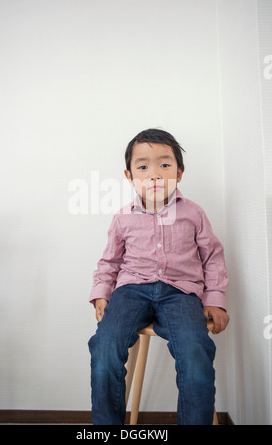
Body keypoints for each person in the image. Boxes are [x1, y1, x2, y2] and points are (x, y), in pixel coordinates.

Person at [88, 128, 229, 425]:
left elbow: (212, 256)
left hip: (181, 294)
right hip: (130, 292)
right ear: (129, 176)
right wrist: (101, 293)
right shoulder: (122, 218)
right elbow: (109, 260)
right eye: (143, 166)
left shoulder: (194, 213)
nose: (154, 174)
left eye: (164, 165)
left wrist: (215, 299)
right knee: (104, 347)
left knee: (195, 352)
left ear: (179, 173)